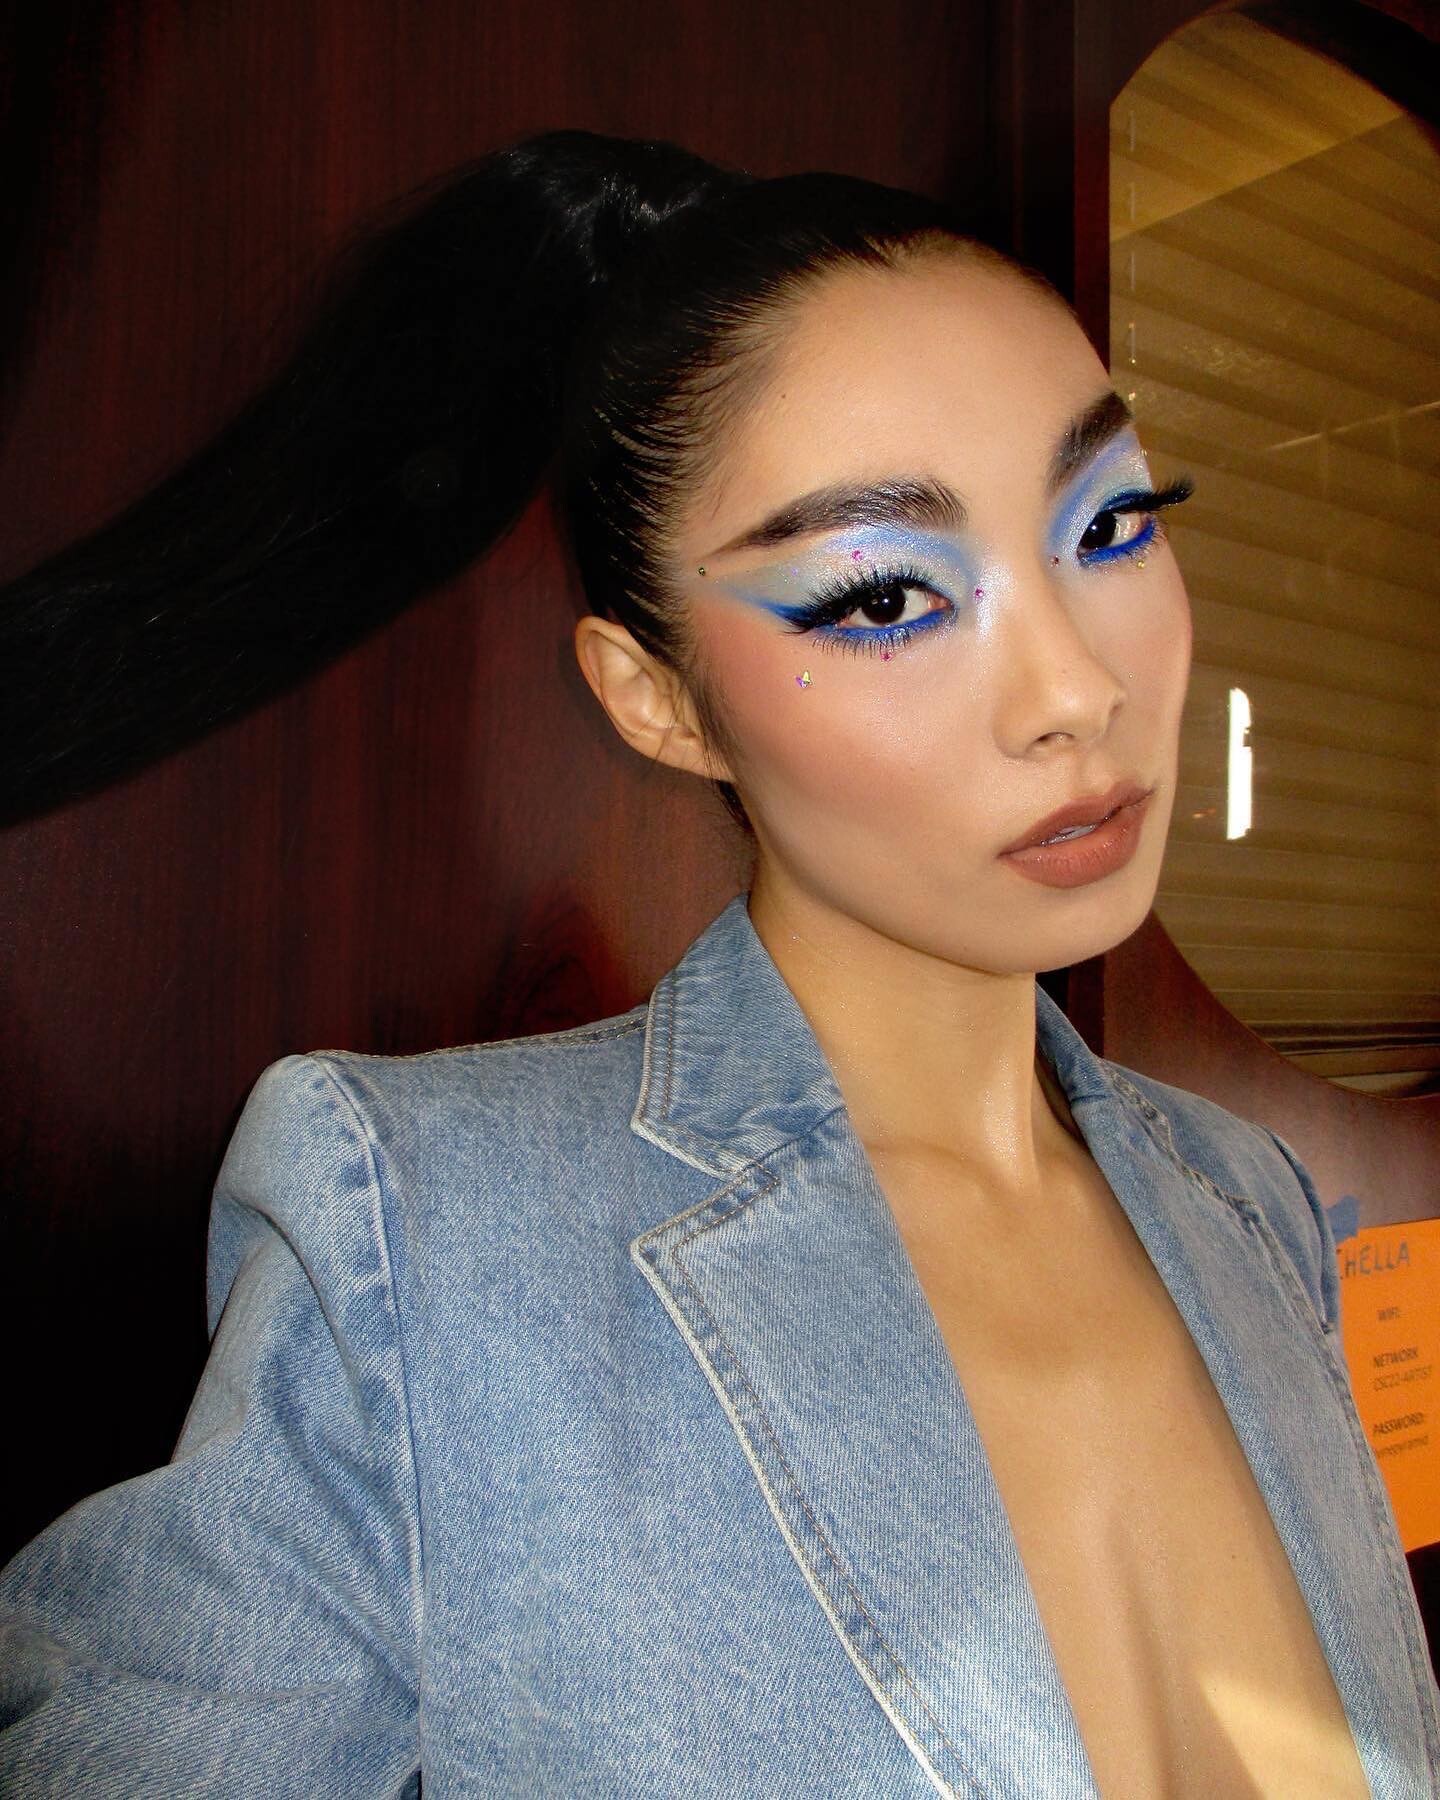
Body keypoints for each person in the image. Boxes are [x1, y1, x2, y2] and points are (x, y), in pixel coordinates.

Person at [0, 131, 1435, 1800]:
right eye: (885, 598)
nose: (1075, 689)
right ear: (657, 700)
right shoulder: (428, 1240)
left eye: (1109, 521)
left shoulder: (1249, 1205)